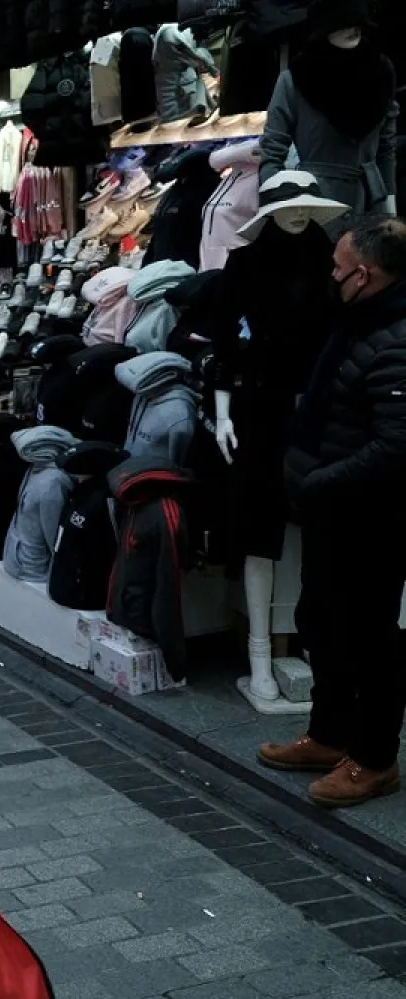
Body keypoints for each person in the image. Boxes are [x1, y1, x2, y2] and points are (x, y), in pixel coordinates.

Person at [261, 216, 406, 808]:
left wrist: (319, 482)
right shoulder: (361, 321)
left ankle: (373, 760)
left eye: (337, 268)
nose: (330, 275)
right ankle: (329, 735)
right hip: (334, 515)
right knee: (322, 623)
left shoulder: (395, 338)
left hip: (369, 521)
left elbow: (397, 445)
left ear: (363, 275)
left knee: (369, 639)